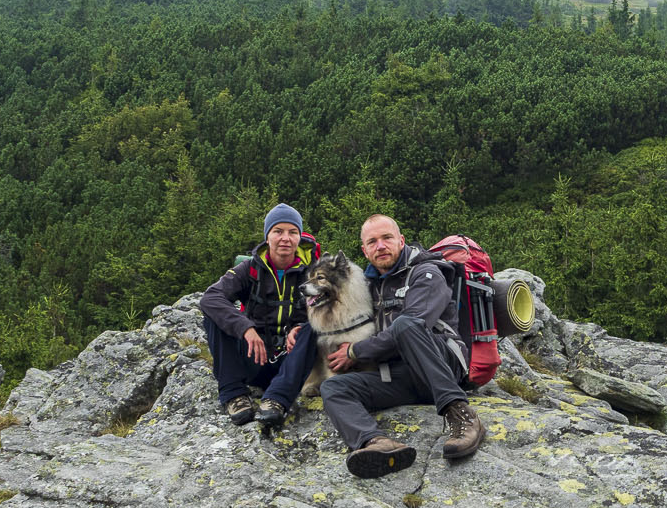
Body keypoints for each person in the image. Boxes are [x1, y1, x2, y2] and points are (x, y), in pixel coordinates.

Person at [260, 212, 484, 478]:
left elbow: (414, 323)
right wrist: (297, 328)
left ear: (401, 240)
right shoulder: (370, 285)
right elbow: (335, 308)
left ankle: (461, 415)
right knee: (333, 387)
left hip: (439, 365)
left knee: (405, 325)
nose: (380, 246)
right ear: (365, 251)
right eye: (372, 241)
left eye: (387, 238)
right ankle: (375, 443)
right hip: (401, 377)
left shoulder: (426, 273)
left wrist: (355, 351)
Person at [199, 203, 320, 429]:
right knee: (215, 315)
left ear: (299, 237)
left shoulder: (313, 271)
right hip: (254, 357)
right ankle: (234, 394)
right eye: (278, 231)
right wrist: (244, 327)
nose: (285, 238)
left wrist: (300, 326)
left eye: (292, 232)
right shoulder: (249, 269)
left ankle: (277, 399)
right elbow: (210, 298)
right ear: (267, 236)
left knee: (315, 326)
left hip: (291, 361)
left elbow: (330, 304)